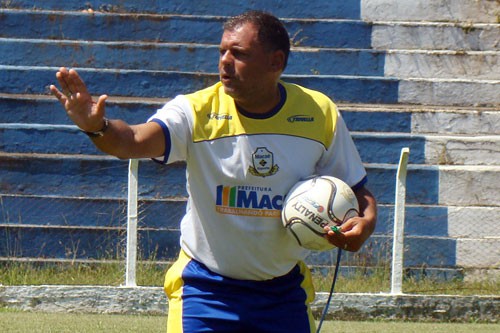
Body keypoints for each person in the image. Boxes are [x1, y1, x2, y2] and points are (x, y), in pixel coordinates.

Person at [50, 10, 377, 333]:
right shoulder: (194, 111)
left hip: (282, 293)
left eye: (239, 54)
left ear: (276, 62)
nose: (224, 61)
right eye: (222, 51)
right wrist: (98, 127)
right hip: (205, 291)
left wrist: (364, 224)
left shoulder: (318, 113)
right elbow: (131, 140)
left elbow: (357, 191)